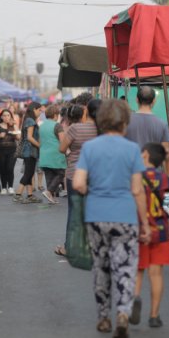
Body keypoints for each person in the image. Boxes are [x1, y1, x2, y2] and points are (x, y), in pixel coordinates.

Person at [73, 99, 151, 338]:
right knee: (125, 267)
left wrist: (94, 191)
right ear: (124, 123)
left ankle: (104, 317)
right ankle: (123, 315)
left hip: (96, 216)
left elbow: (77, 183)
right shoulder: (131, 150)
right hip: (125, 217)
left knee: (101, 266)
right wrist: (145, 225)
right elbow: (138, 190)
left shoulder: (90, 148)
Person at [130, 143, 169, 328]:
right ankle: (154, 315)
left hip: (140, 227)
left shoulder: (136, 177)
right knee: (156, 274)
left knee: (138, 270)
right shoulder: (162, 178)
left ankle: (135, 297)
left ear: (145, 154)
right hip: (161, 229)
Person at [55, 102, 98, 256]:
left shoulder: (74, 129)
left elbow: (61, 148)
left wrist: (71, 151)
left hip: (75, 173)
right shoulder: (101, 130)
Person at [125, 87, 169, 177]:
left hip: (131, 172)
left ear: (136, 99)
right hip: (154, 175)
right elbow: (165, 153)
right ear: (154, 101)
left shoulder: (126, 121)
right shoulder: (162, 124)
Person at [13, 102, 43, 203]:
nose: (40, 112)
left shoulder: (28, 119)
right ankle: (18, 194)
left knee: (29, 173)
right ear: (34, 109)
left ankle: (30, 195)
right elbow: (29, 137)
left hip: (29, 151)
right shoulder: (31, 121)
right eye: (39, 110)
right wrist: (40, 146)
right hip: (30, 151)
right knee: (28, 173)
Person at [39, 104, 67, 204]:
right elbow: (62, 140)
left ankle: (51, 197)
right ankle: (49, 191)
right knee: (60, 174)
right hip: (56, 154)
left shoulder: (41, 126)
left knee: (49, 176)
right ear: (55, 115)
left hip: (44, 154)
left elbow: (40, 141)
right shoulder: (57, 125)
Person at [0, 109, 20, 194]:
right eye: (4, 115)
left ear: (11, 116)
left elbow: (19, 137)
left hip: (12, 150)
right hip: (1, 150)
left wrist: (14, 133)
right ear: (1, 117)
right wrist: (0, 135)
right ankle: (4, 187)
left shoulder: (14, 125)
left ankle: (11, 187)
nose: (6, 117)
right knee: (3, 168)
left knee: (10, 168)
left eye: (8, 115)